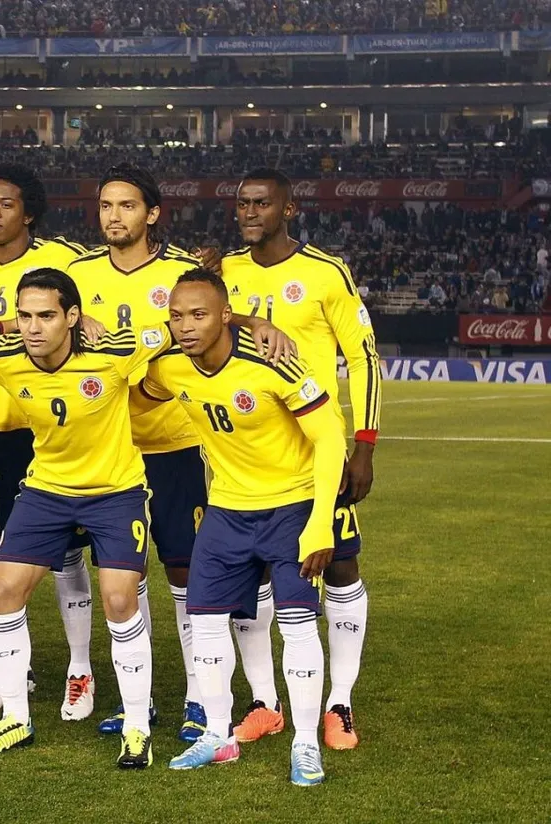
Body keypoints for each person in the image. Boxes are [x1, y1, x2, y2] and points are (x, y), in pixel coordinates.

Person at [134, 268, 345, 786]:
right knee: (204, 622)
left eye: (199, 315)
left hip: (291, 507)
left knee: (296, 625)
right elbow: (139, 398)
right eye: (177, 316)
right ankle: (216, 734)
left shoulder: (272, 361)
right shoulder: (171, 369)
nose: (186, 326)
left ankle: (304, 743)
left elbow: (330, 436)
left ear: (226, 315)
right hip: (226, 509)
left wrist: (320, 524)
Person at [0, 268, 168, 769]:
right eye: (25, 316)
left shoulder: (116, 353)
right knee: (4, 591)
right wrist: (2, 325)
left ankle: (138, 726)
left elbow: (175, 327)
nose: (33, 328)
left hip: (115, 492)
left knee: (120, 598)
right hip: (47, 490)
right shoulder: (1, 358)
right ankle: (16, 716)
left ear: (72, 317)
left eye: (46, 316)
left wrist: (253, 319)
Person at [222, 168, 381, 750]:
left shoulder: (325, 272)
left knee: (338, 564)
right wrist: (243, 318)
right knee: (251, 572)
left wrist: (364, 444)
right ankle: (266, 700)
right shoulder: (226, 273)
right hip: (247, 452)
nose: (250, 211)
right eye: (243, 203)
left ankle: (339, 701)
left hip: (319, 449)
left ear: (288, 209)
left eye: (263, 202)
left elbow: (363, 358)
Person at [67, 163, 210, 741]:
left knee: (185, 567)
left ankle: (201, 695)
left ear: (152, 214)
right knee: (122, 574)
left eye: (126, 206)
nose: (114, 216)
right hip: (108, 451)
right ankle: (139, 699)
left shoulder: (182, 273)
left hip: (174, 444)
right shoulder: (76, 275)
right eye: (106, 205)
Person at [0, 164, 96, 721]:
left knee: (66, 555)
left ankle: (79, 667)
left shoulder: (64, 260)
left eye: (5, 204)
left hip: (50, 438)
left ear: (29, 212)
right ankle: (11, 667)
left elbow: (102, 305)